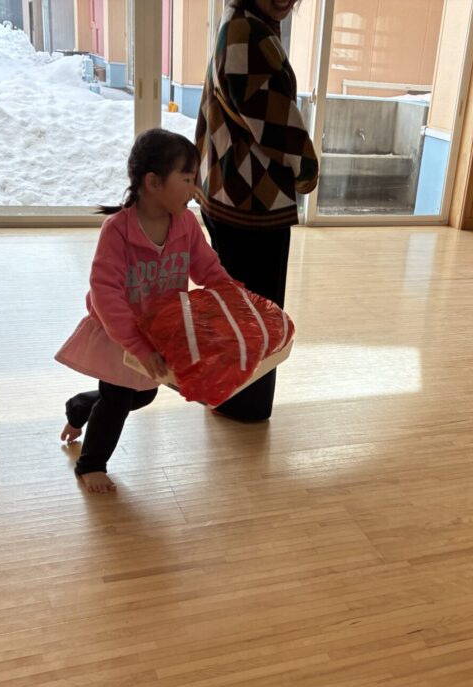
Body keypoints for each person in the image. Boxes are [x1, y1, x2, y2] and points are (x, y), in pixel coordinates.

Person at [56, 129, 232, 492]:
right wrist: (136, 346)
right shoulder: (117, 231)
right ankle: (91, 464)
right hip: (120, 331)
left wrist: (231, 294)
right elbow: (105, 294)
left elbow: (207, 268)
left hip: (158, 331)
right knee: (118, 396)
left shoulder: (185, 224)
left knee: (144, 393)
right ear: (153, 182)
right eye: (187, 179)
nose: (194, 189)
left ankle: (80, 407)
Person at [194, 0, 318, 420]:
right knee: (255, 313)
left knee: (233, 305)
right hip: (250, 202)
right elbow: (277, 123)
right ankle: (242, 404)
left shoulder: (242, 23)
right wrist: (307, 171)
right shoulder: (247, 32)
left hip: (228, 193)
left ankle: (226, 395)